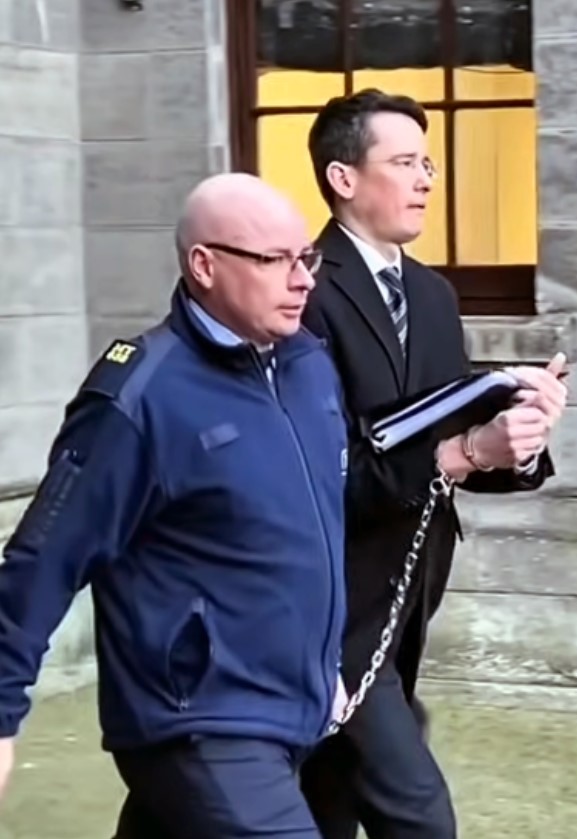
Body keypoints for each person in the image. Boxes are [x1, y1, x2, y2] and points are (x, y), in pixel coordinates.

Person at [0, 173, 348, 838]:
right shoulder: (140, 395)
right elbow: (43, 556)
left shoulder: (308, 366)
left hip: (291, 708)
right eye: (275, 259)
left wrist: (322, 658)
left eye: (307, 256)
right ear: (204, 265)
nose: (303, 278)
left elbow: (314, 522)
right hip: (198, 721)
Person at [297, 89, 568, 839]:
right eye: (405, 162)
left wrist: (517, 440)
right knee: (417, 812)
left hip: (410, 588)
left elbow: (453, 435)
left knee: (324, 802)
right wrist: (462, 452)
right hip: (332, 603)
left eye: (429, 164)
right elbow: (321, 474)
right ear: (343, 177)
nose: (425, 179)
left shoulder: (433, 293)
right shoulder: (302, 292)